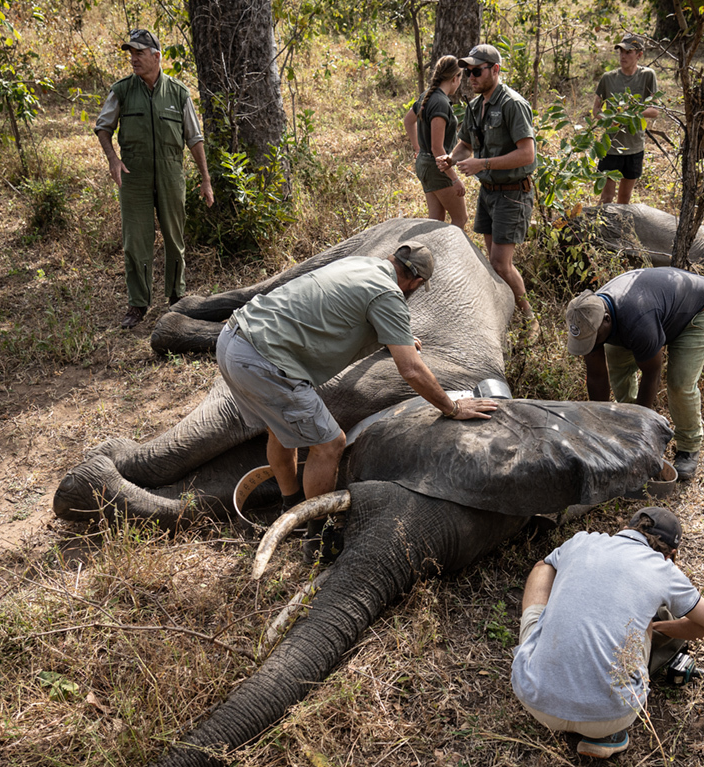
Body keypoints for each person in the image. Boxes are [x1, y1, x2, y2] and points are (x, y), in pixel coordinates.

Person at [216, 242, 499, 513]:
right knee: (330, 444)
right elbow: (411, 370)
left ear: (393, 259)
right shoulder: (388, 294)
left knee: (279, 430)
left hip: (232, 338)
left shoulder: (360, 264)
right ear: (416, 282)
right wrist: (452, 407)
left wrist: (396, 338)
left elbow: (344, 309)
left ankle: (290, 506)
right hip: (261, 361)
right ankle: (316, 535)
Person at [511, 506, 704, 758]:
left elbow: (549, 566)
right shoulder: (664, 570)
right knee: (643, 619)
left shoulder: (582, 541)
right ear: (670, 555)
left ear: (626, 529)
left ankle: (540, 657)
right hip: (612, 716)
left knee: (543, 567)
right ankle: (607, 736)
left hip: (535, 700)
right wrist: (658, 627)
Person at [95, 28, 214, 330]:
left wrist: (205, 179)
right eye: (130, 53)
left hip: (172, 174)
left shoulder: (179, 93)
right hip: (133, 177)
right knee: (136, 241)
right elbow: (103, 127)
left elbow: (195, 138)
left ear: (157, 56)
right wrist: (113, 159)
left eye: (139, 53)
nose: (133, 58)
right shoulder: (122, 90)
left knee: (175, 239)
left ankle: (177, 300)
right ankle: (138, 304)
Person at [563, 267, 704, 482]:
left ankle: (688, 446)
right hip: (655, 310)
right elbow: (596, 376)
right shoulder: (587, 317)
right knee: (619, 371)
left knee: (679, 383)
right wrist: (600, 429)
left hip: (699, 310)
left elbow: (652, 374)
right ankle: (623, 427)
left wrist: (639, 433)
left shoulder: (638, 320)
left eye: (593, 339)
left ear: (607, 320)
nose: (591, 345)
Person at [436, 45, 538, 340]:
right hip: (489, 192)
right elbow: (466, 143)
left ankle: (530, 320)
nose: (470, 77)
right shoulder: (476, 105)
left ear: (495, 70)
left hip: (512, 193)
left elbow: (527, 154)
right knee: (494, 263)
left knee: (499, 263)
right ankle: (506, 314)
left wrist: (483, 162)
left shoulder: (512, 104)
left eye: (476, 71)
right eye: (468, 72)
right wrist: (452, 158)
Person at [403, 56, 468, 229]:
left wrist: (418, 149)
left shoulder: (427, 96)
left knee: (436, 220)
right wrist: (454, 179)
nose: (460, 83)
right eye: (460, 78)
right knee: (460, 220)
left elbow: (408, 121)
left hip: (424, 164)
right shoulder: (440, 103)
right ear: (455, 78)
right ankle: (450, 256)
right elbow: (437, 147)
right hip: (436, 167)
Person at [593, 35, 659, 205]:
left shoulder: (647, 76)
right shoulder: (608, 78)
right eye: (621, 51)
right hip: (611, 147)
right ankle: (601, 231)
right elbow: (596, 111)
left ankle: (619, 231)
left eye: (628, 52)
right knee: (606, 198)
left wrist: (633, 112)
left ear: (639, 55)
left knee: (624, 199)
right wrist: (610, 119)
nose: (623, 56)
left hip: (635, 146)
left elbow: (655, 110)